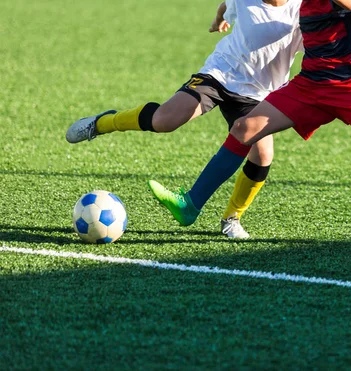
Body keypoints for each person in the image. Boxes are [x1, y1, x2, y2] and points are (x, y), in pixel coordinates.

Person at [148, 0, 351, 234]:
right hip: (310, 83)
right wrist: (222, 11)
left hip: (350, 85)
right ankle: (191, 205)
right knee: (245, 127)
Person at [65, 0, 303, 238]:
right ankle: (101, 123)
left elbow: (319, 45)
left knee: (262, 156)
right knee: (164, 120)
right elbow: (225, 6)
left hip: (258, 94)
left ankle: (232, 218)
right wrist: (219, 19)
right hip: (221, 74)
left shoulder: (304, 8)